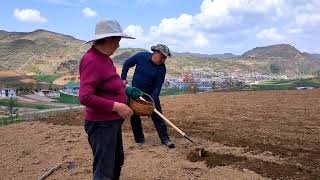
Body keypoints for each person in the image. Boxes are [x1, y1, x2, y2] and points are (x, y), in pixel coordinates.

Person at [79, 20, 142, 180]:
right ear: (107, 39)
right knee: (104, 170)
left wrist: (124, 88)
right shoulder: (91, 60)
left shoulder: (105, 58)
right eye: (117, 41)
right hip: (101, 124)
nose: (118, 46)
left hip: (111, 123)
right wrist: (116, 106)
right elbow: (85, 96)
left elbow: (107, 82)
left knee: (116, 161)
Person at [121, 44, 175, 148]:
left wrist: (152, 101)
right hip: (135, 93)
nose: (163, 59)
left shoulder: (161, 69)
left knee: (158, 115)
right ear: (155, 53)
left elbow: (157, 86)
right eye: (162, 56)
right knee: (134, 116)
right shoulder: (141, 56)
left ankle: (165, 139)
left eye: (165, 57)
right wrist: (123, 78)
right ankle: (139, 139)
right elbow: (127, 64)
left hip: (151, 95)